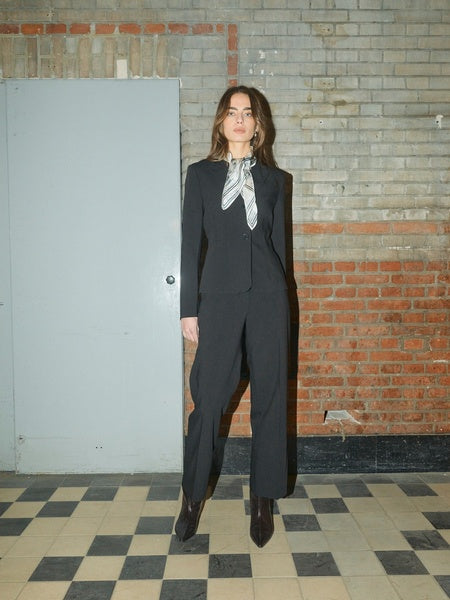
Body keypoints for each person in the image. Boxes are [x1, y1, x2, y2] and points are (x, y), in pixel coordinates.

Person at [175, 85, 289, 548]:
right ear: (221, 121)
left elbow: (280, 248)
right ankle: (191, 498)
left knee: (270, 398)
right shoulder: (200, 175)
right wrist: (188, 309)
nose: (240, 119)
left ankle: (263, 500)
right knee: (208, 399)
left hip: (269, 297)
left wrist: (284, 304)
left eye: (248, 112)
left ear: (258, 124)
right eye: (232, 111)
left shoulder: (275, 180)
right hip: (218, 299)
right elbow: (189, 245)